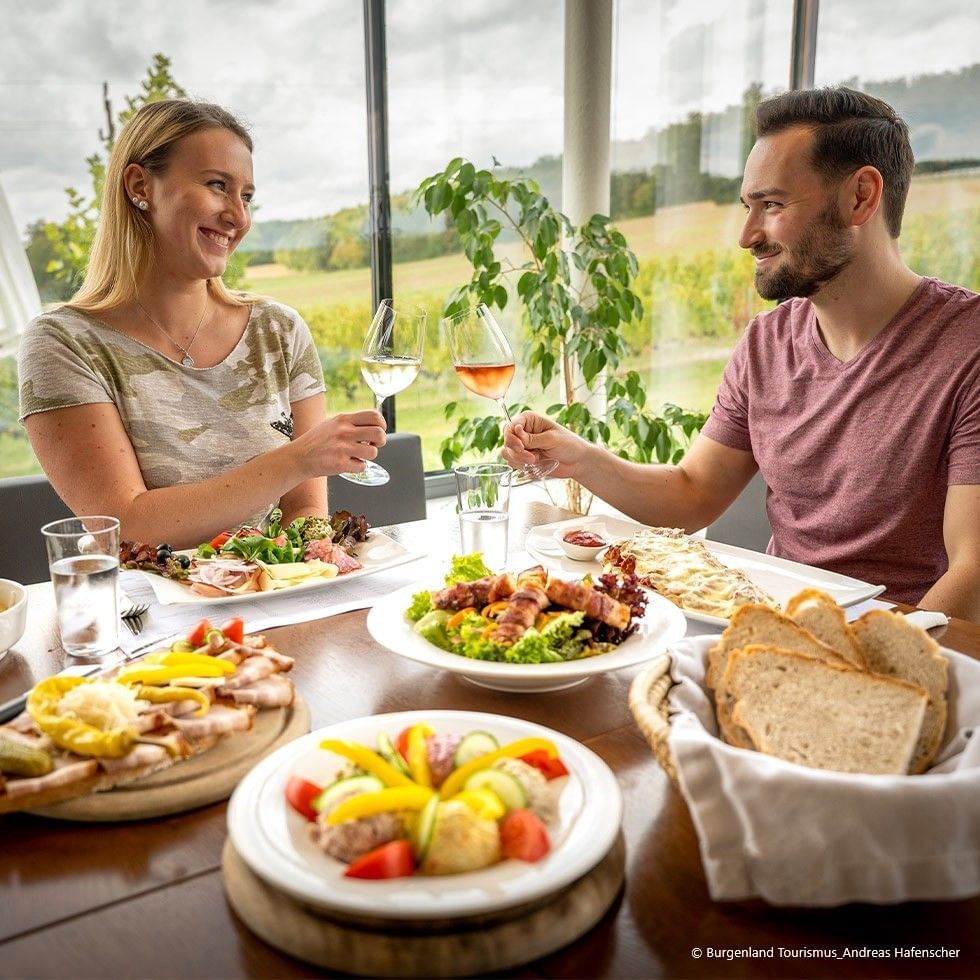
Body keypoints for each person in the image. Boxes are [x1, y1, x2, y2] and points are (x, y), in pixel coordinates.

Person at [503, 87, 980, 621]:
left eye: (772, 205)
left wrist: (864, 668)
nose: (747, 235)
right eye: (747, 207)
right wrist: (578, 458)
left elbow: (973, 573)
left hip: (915, 650)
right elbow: (691, 495)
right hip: (774, 630)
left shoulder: (968, 348)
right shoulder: (766, 344)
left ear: (861, 197)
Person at [18, 99, 386, 549]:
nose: (239, 216)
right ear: (139, 186)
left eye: (246, 196)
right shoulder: (65, 343)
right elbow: (126, 525)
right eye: (217, 185)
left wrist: (306, 568)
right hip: (147, 614)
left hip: (272, 603)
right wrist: (299, 458)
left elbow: (304, 512)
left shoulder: (279, 332)